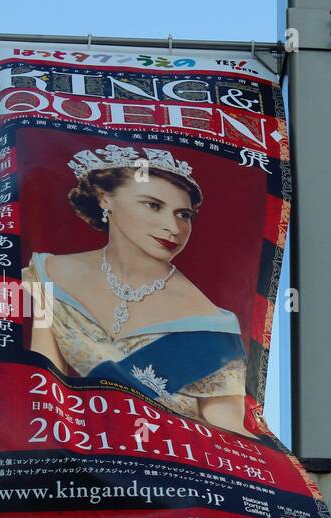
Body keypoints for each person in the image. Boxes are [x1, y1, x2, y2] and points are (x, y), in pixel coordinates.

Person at [22, 143, 248, 434]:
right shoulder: (50, 273)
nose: (173, 227)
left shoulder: (214, 326)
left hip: (175, 463)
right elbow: (45, 386)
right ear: (105, 199)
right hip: (84, 454)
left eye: (184, 214)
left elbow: (229, 429)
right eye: (153, 205)